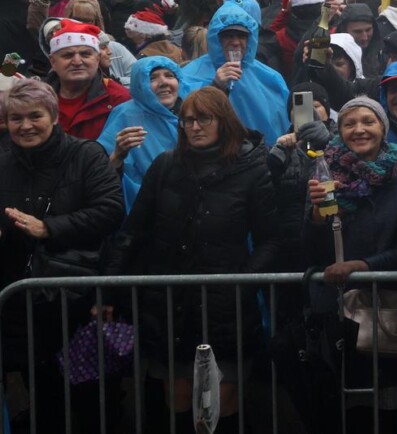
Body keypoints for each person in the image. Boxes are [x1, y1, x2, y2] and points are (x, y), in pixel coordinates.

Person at [102, 86, 279, 432]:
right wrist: (107, 289)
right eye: (186, 120)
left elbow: (270, 239)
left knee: (222, 404)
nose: (194, 126)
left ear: (223, 121)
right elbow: (133, 231)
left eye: (203, 118)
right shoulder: (166, 165)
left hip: (226, 306)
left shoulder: (251, 169)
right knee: (178, 401)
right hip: (171, 306)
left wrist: (241, 283)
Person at [0, 79, 124, 432]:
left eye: (34, 116)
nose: (25, 126)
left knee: (90, 395)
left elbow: (111, 210)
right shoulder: (2, 158)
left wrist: (49, 228)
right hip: (19, 299)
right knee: (42, 394)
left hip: (76, 296)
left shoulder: (85, 154)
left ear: (53, 116)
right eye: (16, 118)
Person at [303, 96, 397, 432]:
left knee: (390, 409)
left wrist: (364, 265)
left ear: (383, 129)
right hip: (336, 315)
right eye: (350, 123)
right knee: (342, 411)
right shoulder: (323, 173)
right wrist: (315, 216)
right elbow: (310, 252)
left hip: (386, 314)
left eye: (368, 121)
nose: (359, 130)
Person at [180, 0, 289, 147]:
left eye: (242, 36)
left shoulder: (269, 77)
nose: (235, 42)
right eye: (228, 36)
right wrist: (216, 86)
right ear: (216, 39)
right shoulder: (189, 75)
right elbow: (185, 119)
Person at [96, 57, 191, 210]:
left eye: (169, 75)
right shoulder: (126, 115)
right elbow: (103, 169)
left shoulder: (192, 111)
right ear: (140, 85)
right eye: (152, 78)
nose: (163, 82)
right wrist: (118, 156)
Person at [44, 19, 131, 141]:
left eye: (85, 54)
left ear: (97, 58)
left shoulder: (120, 100)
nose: (77, 62)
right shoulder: (35, 99)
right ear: (53, 62)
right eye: (68, 55)